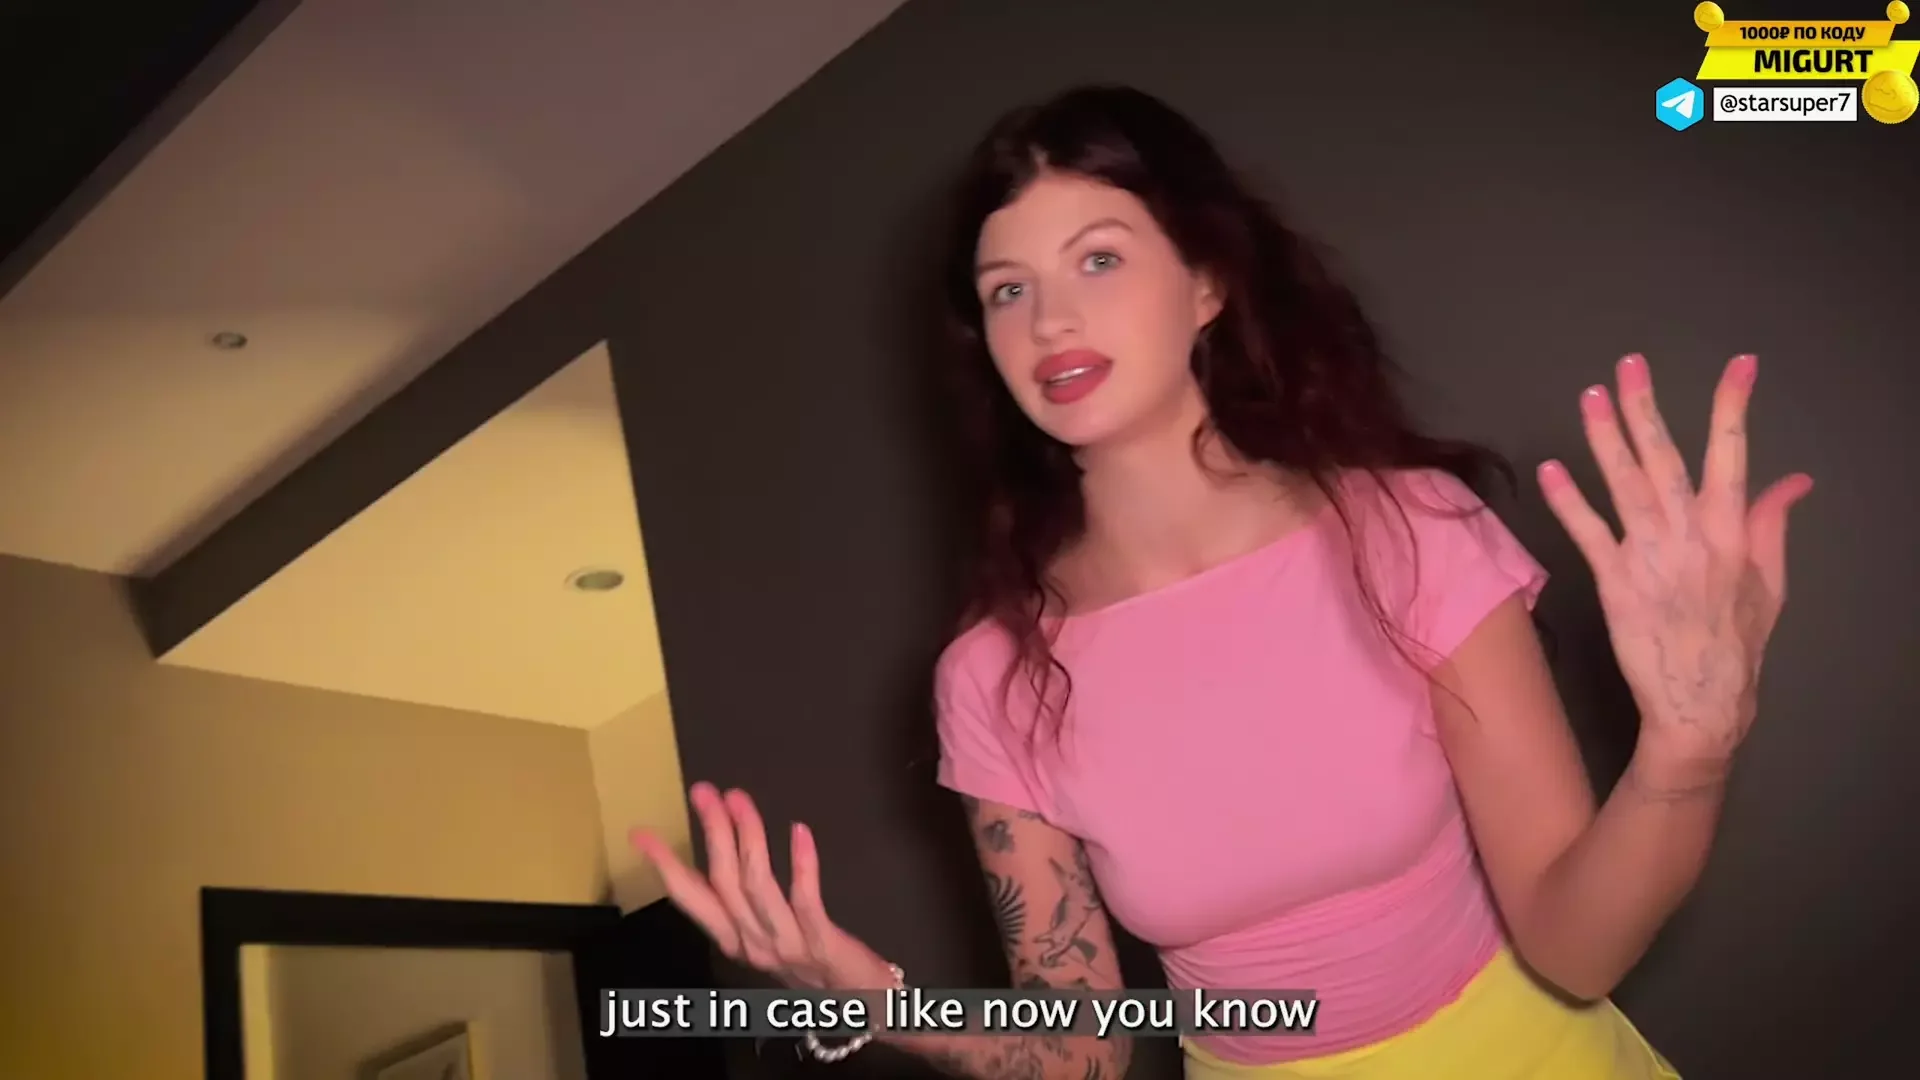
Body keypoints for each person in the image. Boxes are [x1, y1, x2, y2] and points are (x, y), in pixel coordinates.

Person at [628, 84, 1812, 1079]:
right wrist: (872, 1000)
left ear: (1206, 283)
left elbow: (1578, 948)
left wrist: (1684, 757)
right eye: (1007, 289)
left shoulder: (1408, 530)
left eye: (1099, 258)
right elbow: (1082, 1053)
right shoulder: (991, 677)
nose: (1051, 317)